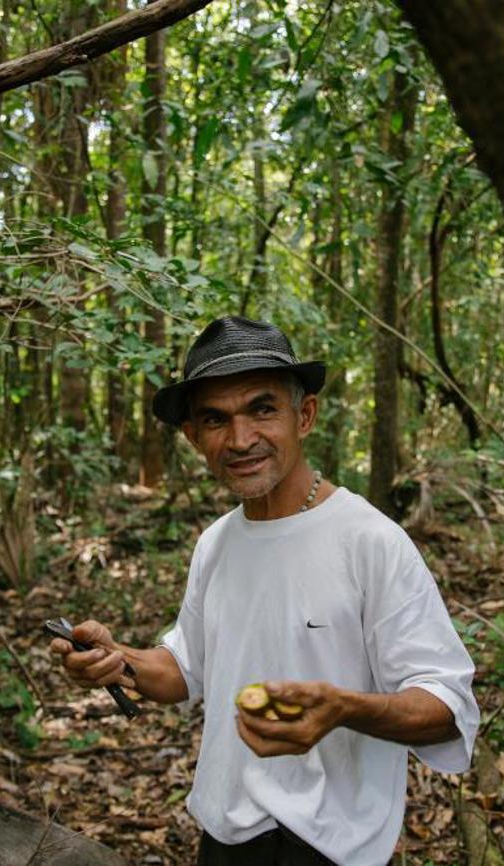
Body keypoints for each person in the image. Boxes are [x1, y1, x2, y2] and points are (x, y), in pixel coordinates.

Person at [50, 316, 479, 865]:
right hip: (225, 838)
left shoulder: (370, 541)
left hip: (333, 848)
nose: (240, 439)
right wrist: (118, 660)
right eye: (215, 418)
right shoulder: (216, 543)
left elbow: (446, 706)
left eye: (262, 409)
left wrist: (343, 708)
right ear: (194, 437)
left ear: (305, 416)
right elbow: (185, 669)